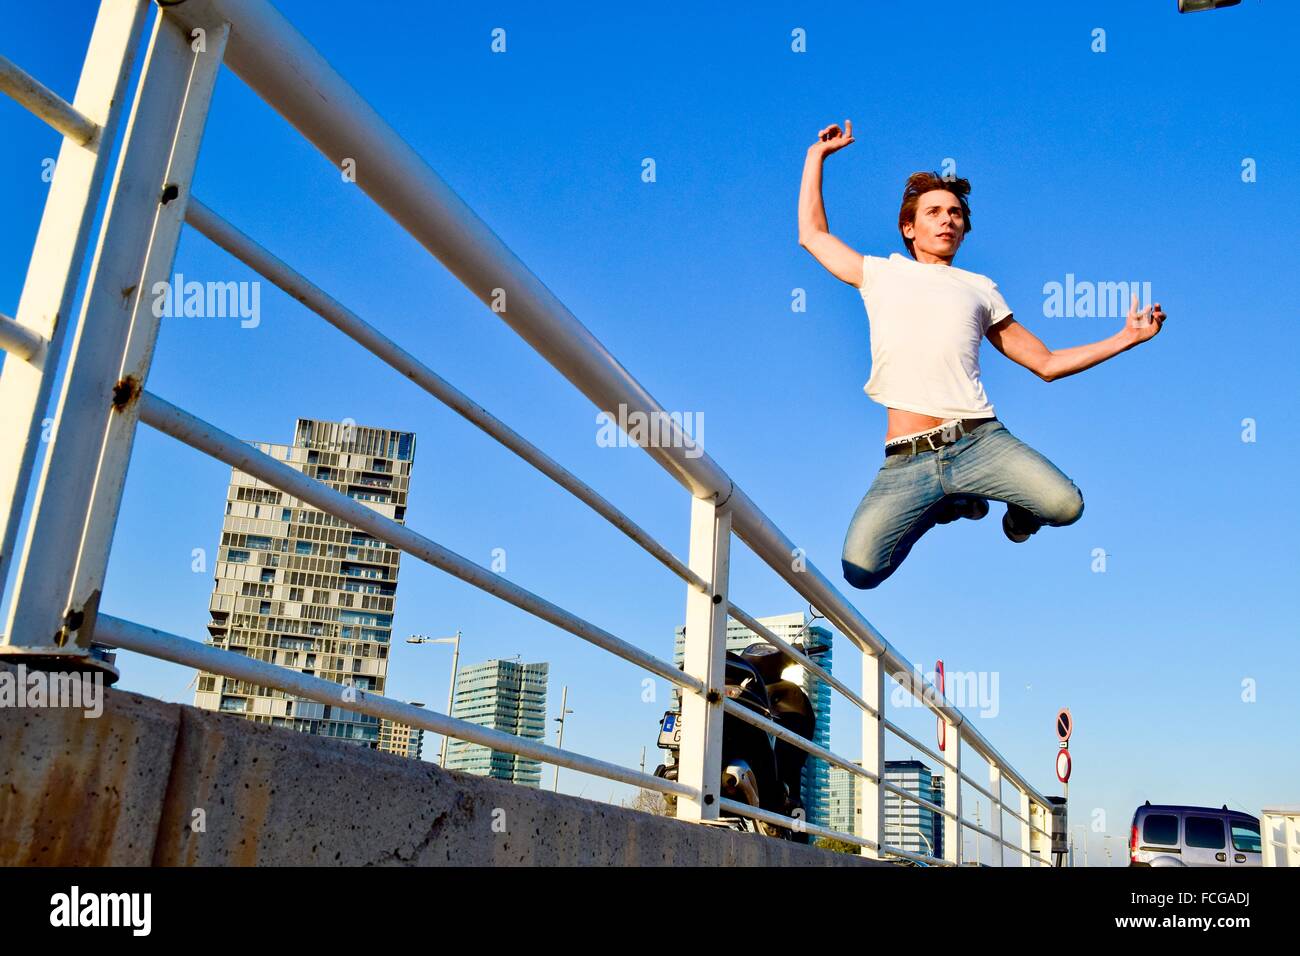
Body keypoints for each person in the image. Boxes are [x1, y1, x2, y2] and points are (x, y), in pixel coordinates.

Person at [797, 120, 1167, 589]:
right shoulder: (880, 273)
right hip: (906, 459)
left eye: (955, 213)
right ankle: (947, 505)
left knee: (1064, 505)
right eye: (933, 212)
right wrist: (817, 157)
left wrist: (1126, 338)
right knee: (861, 571)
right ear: (909, 228)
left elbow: (1046, 363)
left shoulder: (980, 288)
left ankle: (1017, 516)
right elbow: (812, 234)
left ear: (964, 229)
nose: (947, 219)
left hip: (978, 440)